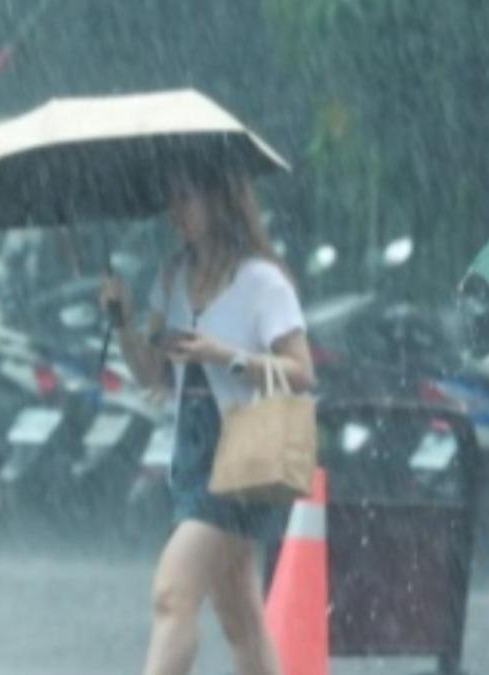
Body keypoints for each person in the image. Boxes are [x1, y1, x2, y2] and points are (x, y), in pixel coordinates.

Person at [102, 162, 314, 675]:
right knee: (240, 620)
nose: (176, 211)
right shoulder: (173, 278)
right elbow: (154, 375)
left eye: (187, 198)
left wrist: (227, 356)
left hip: (242, 460)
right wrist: (123, 321)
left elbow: (301, 372)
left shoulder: (260, 280)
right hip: (191, 460)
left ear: (220, 201)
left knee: (172, 596)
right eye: (172, 199)